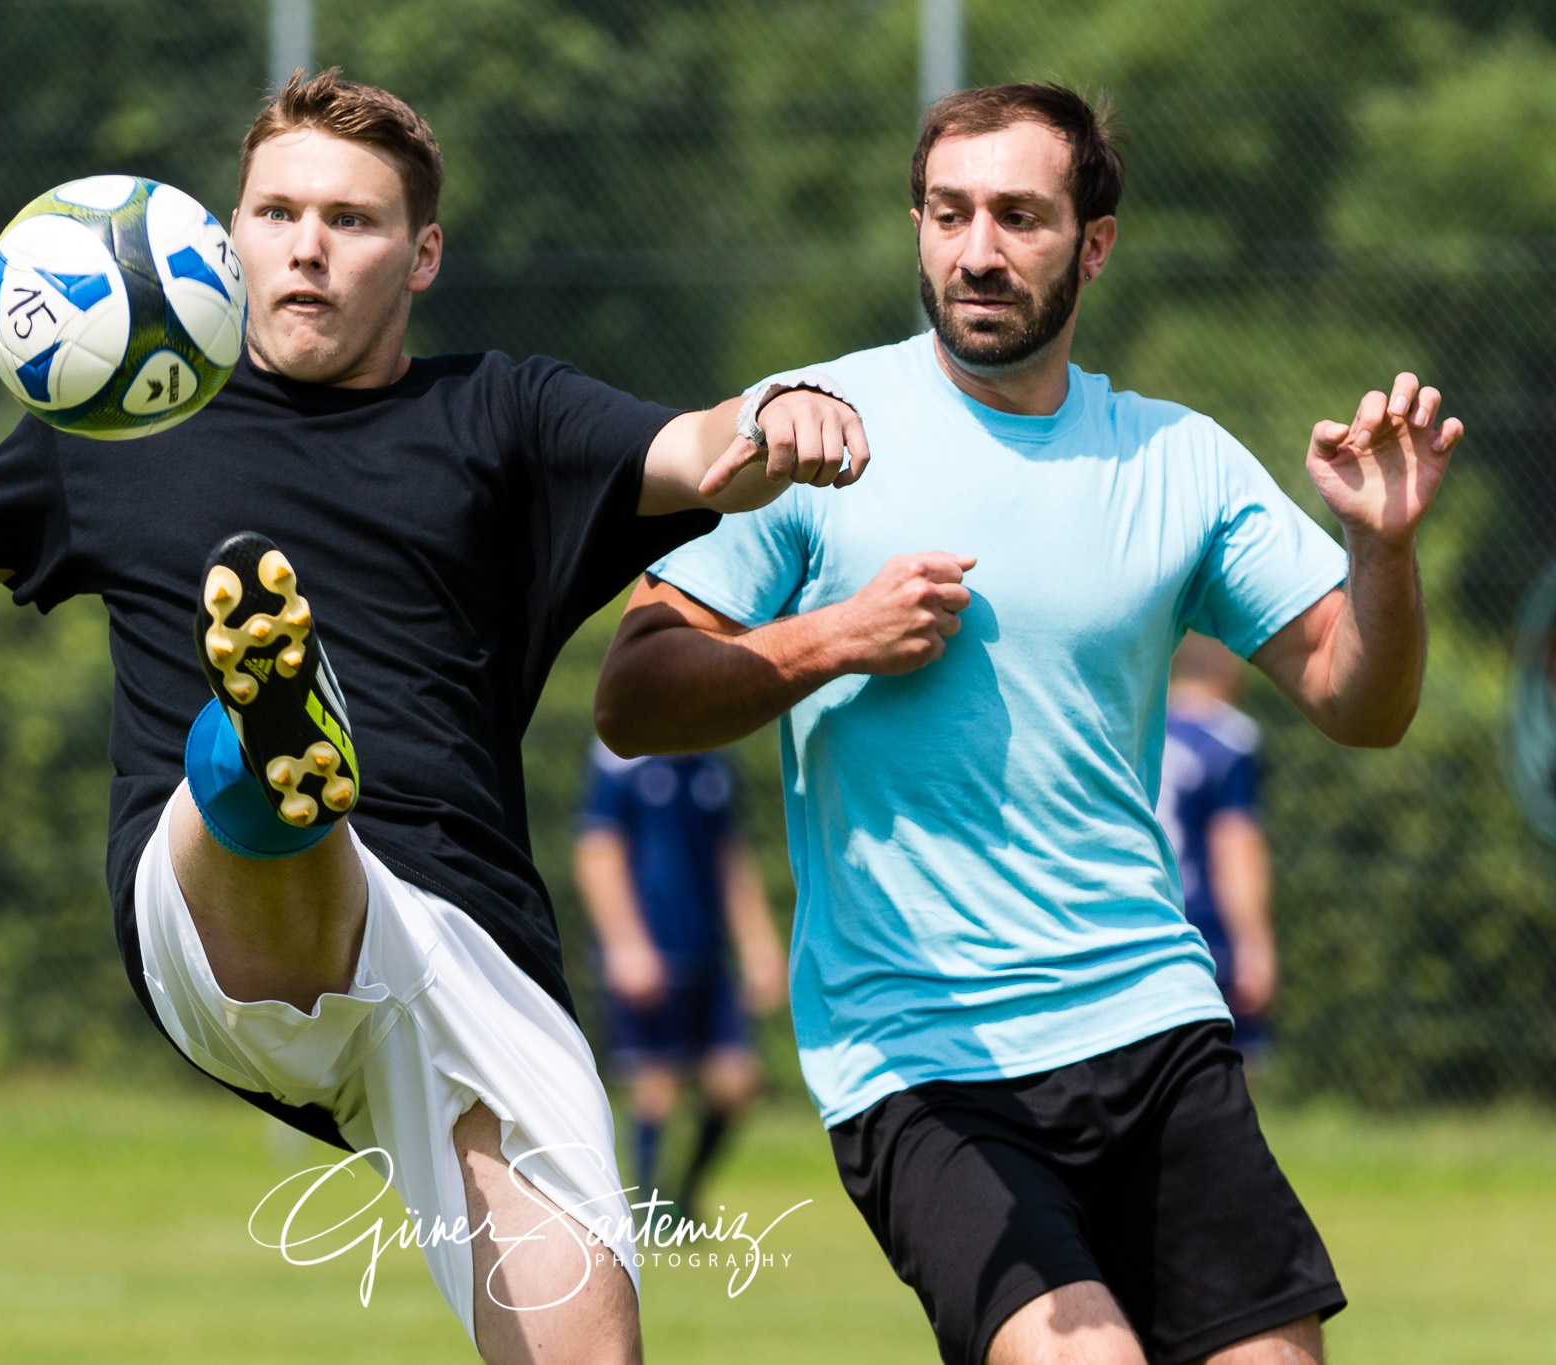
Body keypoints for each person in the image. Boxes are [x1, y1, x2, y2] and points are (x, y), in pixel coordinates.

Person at [0, 71, 865, 1363]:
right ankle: (267, 739)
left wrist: (778, 411)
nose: (307, 247)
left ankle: (279, 741)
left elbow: (700, 448)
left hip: (466, 938)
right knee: (268, 803)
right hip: (212, 902)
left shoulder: (501, 413)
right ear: (228, 235)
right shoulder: (117, 423)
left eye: (351, 220)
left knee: (591, 1346)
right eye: (277, 212)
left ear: (421, 255)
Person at [593, 83, 1462, 1365]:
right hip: (918, 1052)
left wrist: (1379, 552)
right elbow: (631, 694)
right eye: (947, 213)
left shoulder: (1177, 461)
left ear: (1091, 245)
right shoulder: (815, 427)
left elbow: (1360, 702)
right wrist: (833, 637)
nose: (976, 250)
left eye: (1017, 215)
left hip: (1150, 1017)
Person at [572, 741, 785, 1219]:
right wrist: (625, 944)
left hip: (707, 954)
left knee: (736, 1081)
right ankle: (648, 1208)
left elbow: (731, 857)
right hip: (650, 951)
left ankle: (684, 1196)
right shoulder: (621, 758)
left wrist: (758, 944)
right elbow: (598, 851)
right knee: (656, 1085)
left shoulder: (713, 764)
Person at [1159, 633, 1275, 1057]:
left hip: (1134, 922)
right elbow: (1234, 845)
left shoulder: (1137, 729)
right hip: (1203, 929)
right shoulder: (1229, 738)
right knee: (1226, 1074)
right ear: (1228, 667)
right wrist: (1254, 944)